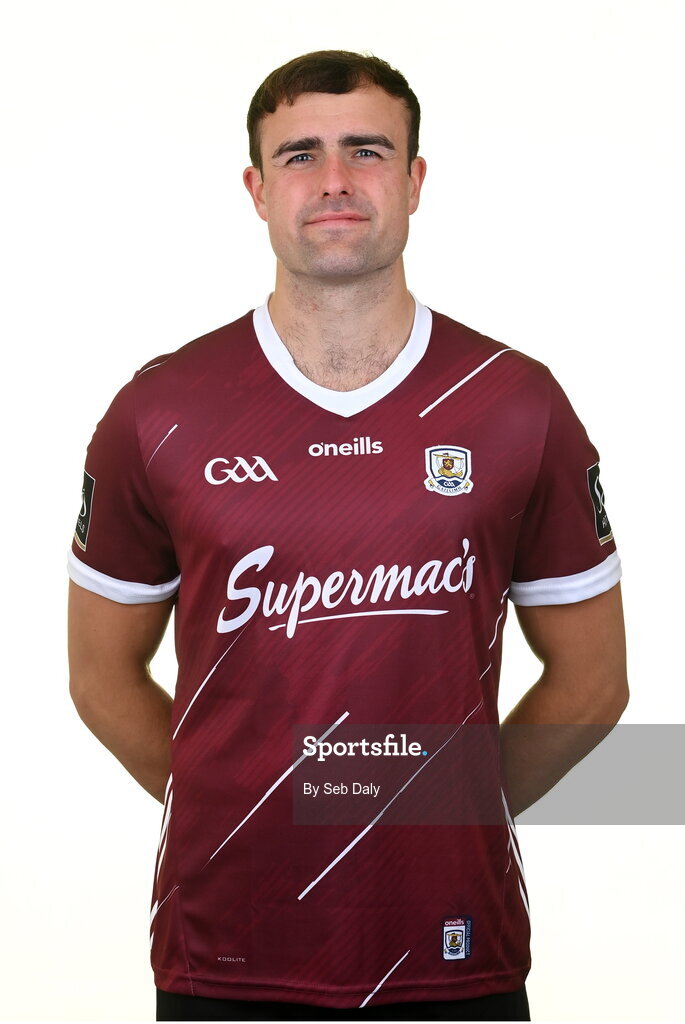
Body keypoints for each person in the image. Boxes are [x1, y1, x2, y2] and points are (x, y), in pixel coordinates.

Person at [67, 50, 629, 1022]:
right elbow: (98, 673)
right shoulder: (160, 412)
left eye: (367, 151)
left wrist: (435, 811)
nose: (333, 180)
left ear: (414, 181)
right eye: (299, 155)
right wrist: (244, 805)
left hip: (455, 954)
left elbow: (593, 681)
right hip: (224, 956)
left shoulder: (513, 405)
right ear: (255, 189)